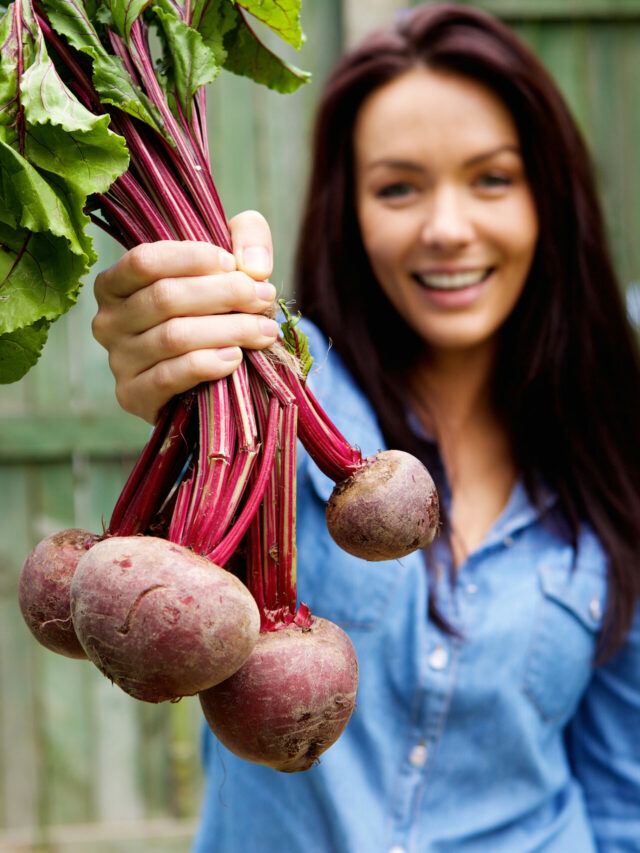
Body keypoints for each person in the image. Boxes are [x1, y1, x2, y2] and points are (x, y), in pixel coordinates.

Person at [91, 3, 640, 851]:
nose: (448, 228)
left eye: (492, 178)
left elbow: (622, 790)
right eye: (398, 187)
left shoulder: (612, 444)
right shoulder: (270, 384)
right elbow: (190, 387)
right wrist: (172, 358)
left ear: (550, 199)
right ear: (347, 212)